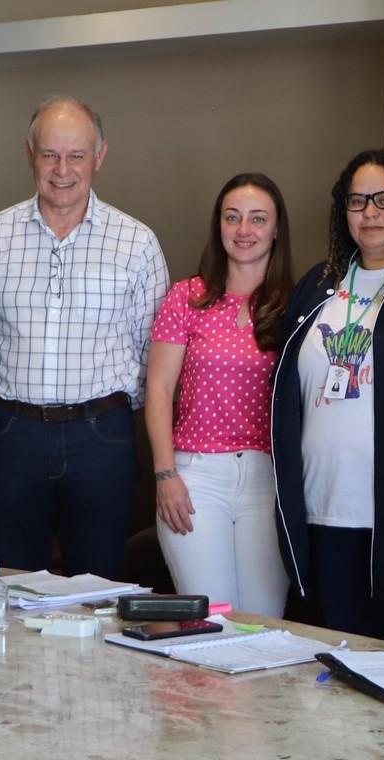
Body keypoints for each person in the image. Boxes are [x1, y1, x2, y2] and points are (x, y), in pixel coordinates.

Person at [0, 96, 169, 579]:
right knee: (9, 584)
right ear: (29, 154)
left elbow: (152, 355)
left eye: (76, 155)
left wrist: (103, 412)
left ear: (99, 156)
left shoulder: (137, 243)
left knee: (98, 588)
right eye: (49, 154)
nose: (62, 170)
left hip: (101, 437)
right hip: (9, 435)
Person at [272, 149, 384, 644]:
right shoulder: (318, 284)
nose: (370, 212)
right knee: (343, 651)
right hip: (322, 508)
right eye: (357, 200)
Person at [148, 173, 292, 617]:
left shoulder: (294, 304)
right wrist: (165, 475)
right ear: (219, 225)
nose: (244, 230)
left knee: (263, 623)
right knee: (212, 618)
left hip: (268, 480)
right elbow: (159, 389)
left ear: (276, 228)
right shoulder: (186, 297)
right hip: (196, 477)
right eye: (233, 218)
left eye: (257, 219)